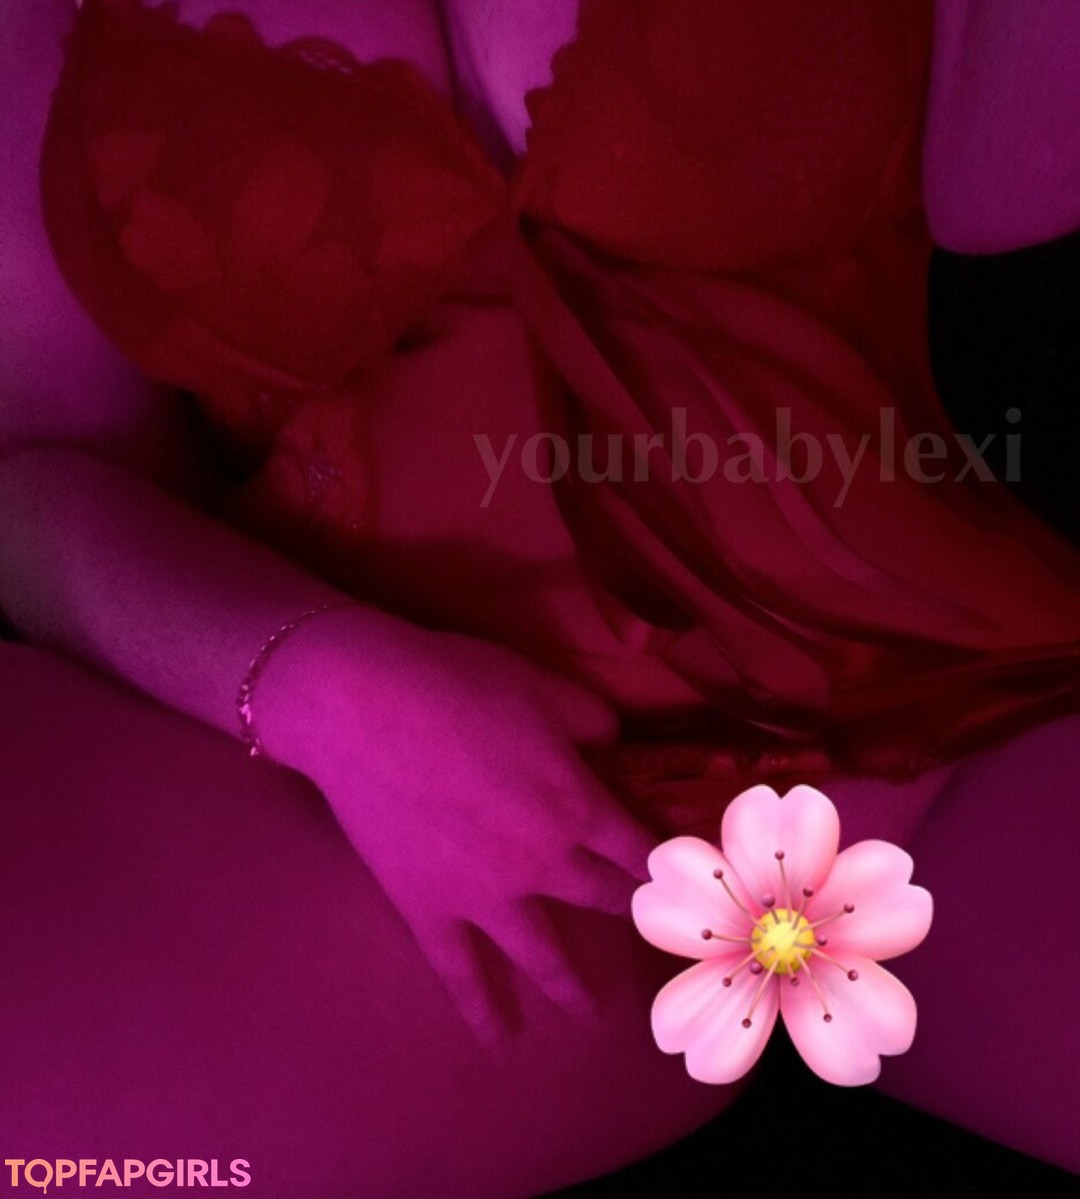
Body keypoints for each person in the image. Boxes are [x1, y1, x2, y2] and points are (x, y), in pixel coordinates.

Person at [1, 2, 1077, 1194]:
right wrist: (317, 687)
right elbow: (40, 486)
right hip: (399, 821)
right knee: (38, 1134)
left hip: (935, 712)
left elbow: (1012, 198)